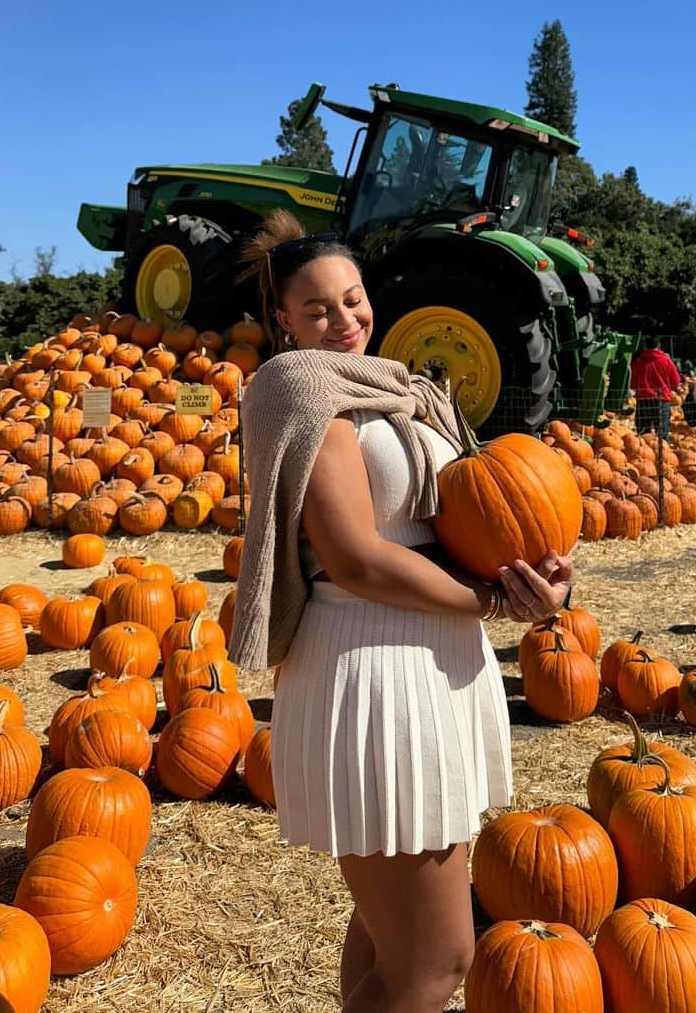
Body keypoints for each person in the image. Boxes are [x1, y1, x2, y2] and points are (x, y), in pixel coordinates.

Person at [229, 209, 574, 1013]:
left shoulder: (400, 386)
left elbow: (469, 516)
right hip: (372, 669)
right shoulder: (297, 387)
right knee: (438, 963)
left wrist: (540, 576)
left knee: (391, 945)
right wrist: (490, 601)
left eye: (352, 300)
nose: (343, 320)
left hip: (432, 669)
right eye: (317, 309)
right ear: (282, 318)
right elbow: (355, 556)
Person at [630, 336, 684, 439]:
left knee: (643, 434)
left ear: (644, 347)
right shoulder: (666, 361)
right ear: (658, 346)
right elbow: (676, 382)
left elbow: (632, 384)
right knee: (662, 435)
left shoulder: (638, 362)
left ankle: (645, 454)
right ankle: (662, 454)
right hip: (662, 400)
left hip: (643, 400)